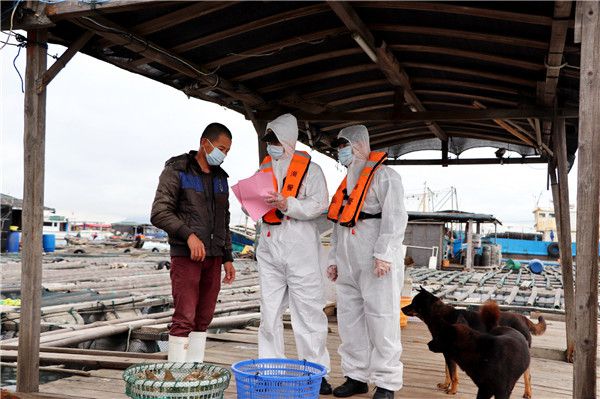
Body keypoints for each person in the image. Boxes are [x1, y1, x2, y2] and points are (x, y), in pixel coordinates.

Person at [326, 125, 407, 399]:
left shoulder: (386, 176)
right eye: (338, 148)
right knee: (349, 319)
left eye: (344, 145)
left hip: (375, 258)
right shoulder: (346, 183)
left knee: (383, 318)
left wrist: (384, 253)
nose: (341, 152)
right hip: (348, 260)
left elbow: (395, 217)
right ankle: (356, 376)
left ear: (359, 145)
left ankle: (386, 382)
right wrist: (334, 258)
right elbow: (339, 222)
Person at [256, 113, 332, 394]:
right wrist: (248, 202)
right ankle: (269, 369)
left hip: (300, 245)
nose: (270, 146)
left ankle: (316, 371)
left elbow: (319, 204)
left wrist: (287, 203)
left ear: (287, 140)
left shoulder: (312, 170)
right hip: (269, 244)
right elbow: (252, 201)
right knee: (269, 310)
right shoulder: (264, 168)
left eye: (274, 140)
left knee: (308, 312)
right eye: (267, 141)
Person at [151, 123, 236, 362]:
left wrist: (227, 257)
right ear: (204, 143)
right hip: (186, 255)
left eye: (228, 151)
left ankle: (194, 374)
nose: (224, 155)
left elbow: (224, 219)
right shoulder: (177, 169)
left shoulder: (221, 178)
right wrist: (188, 235)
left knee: (204, 318)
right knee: (184, 317)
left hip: (215, 256)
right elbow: (159, 212)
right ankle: (177, 376)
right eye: (221, 148)